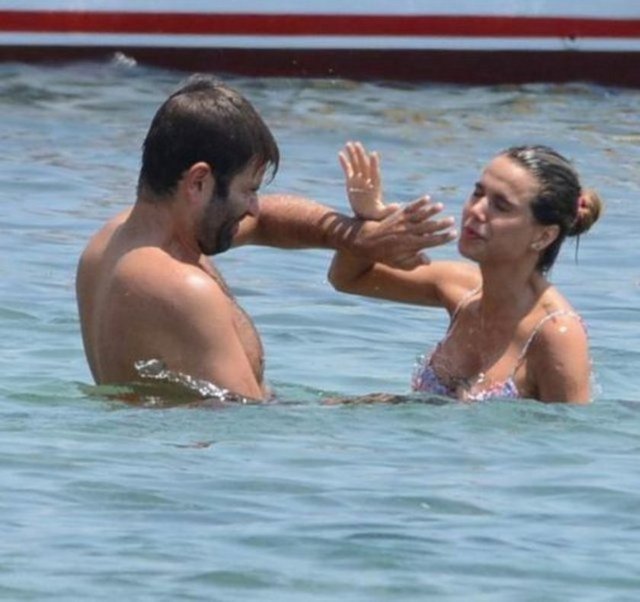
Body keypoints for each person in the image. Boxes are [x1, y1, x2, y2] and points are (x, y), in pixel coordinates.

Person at [76, 75, 454, 402]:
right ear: (198, 182)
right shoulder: (182, 287)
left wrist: (357, 237)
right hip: (198, 457)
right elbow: (248, 425)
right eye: (249, 190)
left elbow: (268, 221)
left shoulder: (111, 243)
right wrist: (365, 408)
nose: (254, 208)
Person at [329, 142, 603, 403]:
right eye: (478, 193)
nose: (476, 210)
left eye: (501, 205)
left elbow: (568, 433)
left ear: (544, 236)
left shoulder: (556, 335)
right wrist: (370, 219)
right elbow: (348, 278)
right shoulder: (460, 288)